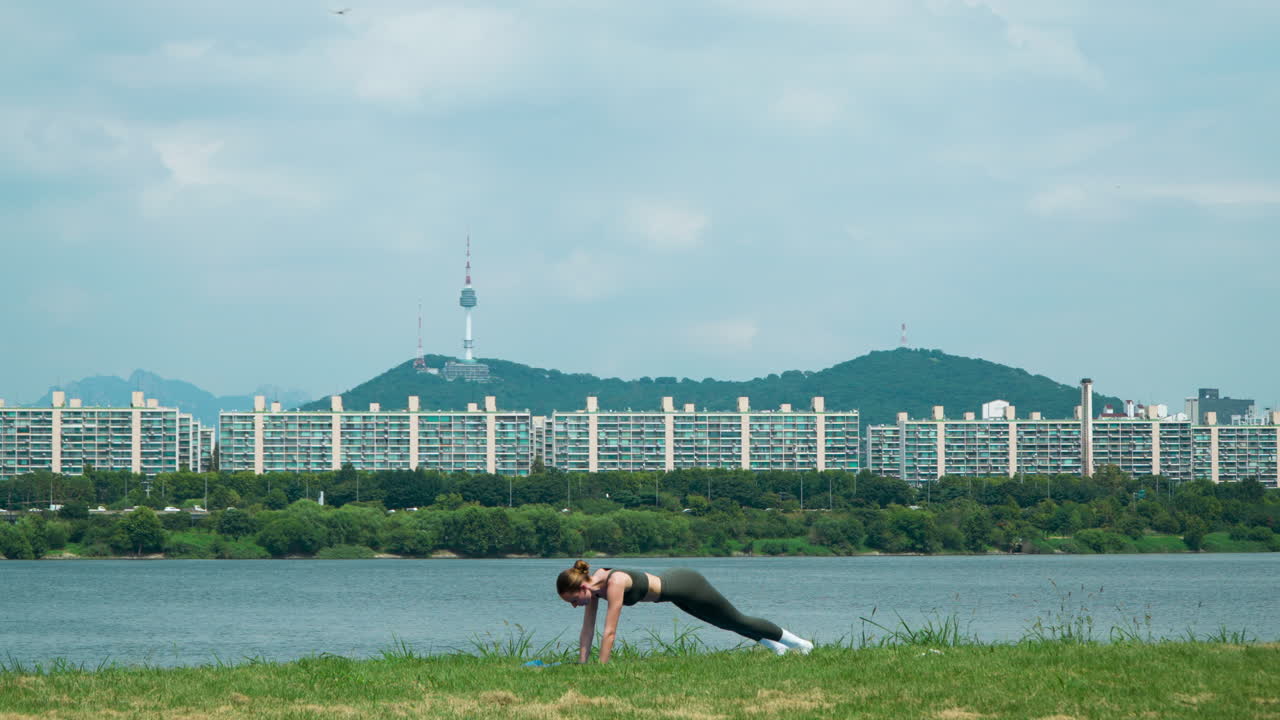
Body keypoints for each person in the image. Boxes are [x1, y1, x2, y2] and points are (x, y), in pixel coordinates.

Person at [556, 560, 813, 663]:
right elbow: (588, 630)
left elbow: (610, 631)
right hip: (674, 597)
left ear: (582, 586)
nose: (574, 606)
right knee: (723, 624)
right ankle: (777, 649)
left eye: (573, 600)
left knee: (736, 619)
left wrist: (601, 668)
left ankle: (802, 644)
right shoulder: (594, 589)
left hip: (687, 585)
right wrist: (582, 663)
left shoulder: (614, 583)